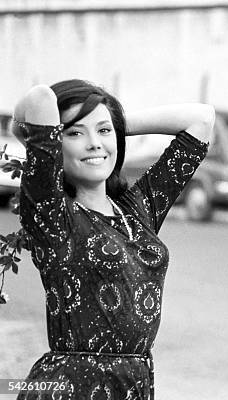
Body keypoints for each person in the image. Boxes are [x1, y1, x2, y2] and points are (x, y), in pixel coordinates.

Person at [11, 79, 214, 399]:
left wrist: (113, 123)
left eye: (103, 132)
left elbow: (201, 119)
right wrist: (33, 132)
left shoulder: (139, 210)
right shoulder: (51, 214)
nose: (94, 143)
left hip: (133, 385)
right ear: (55, 143)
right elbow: (40, 98)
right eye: (76, 133)